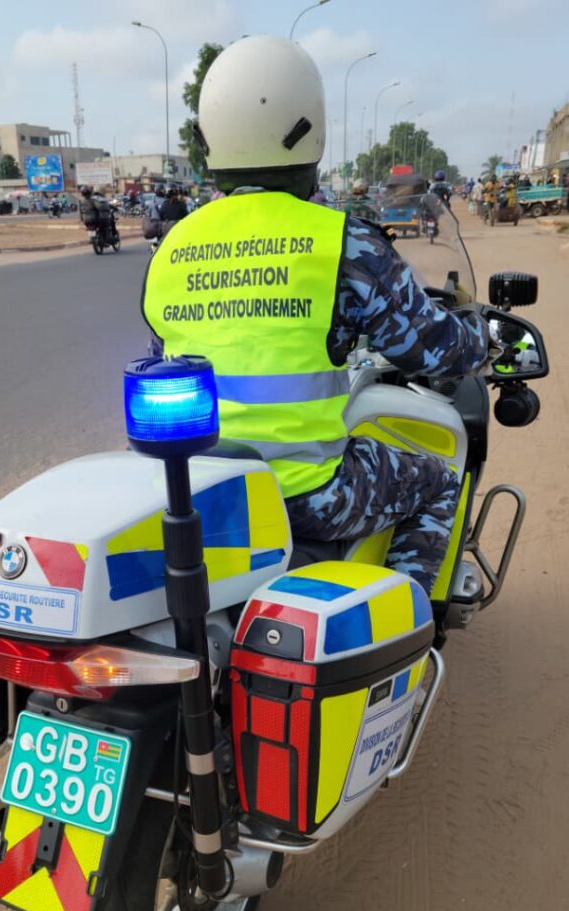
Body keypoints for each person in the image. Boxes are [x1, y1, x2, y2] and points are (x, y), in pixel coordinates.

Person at [141, 35, 494, 598]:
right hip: (306, 493)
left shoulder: (172, 245)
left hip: (200, 490)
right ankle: (409, 625)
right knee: (436, 481)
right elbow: (434, 350)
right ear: (310, 131)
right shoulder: (341, 240)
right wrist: (484, 335)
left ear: (210, 139)